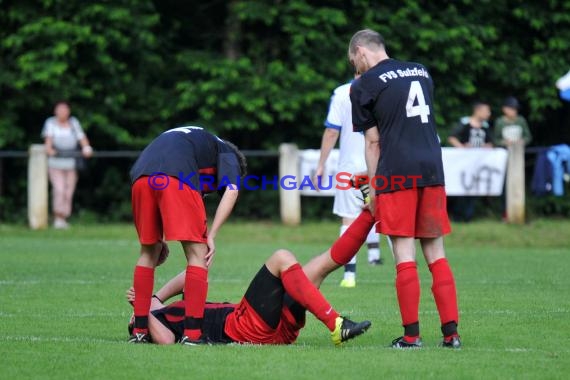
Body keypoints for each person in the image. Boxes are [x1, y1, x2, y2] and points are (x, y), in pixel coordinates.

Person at [348, 29, 461, 348]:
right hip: (432, 169)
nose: (355, 70)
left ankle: (412, 336)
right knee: (436, 253)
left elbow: (373, 142)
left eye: (354, 62)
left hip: (396, 173)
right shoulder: (421, 70)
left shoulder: (363, 85)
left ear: (361, 51)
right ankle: (451, 334)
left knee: (403, 254)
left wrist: (373, 189)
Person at [126, 210, 378, 346]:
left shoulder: (161, 308)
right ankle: (336, 324)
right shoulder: (156, 323)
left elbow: (192, 275)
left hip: (269, 329)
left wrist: (153, 296)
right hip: (242, 328)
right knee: (281, 257)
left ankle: (370, 213)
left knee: (318, 267)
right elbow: (167, 342)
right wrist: (143, 311)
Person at [128, 125, 247, 344]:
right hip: (177, 176)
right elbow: (232, 189)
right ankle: (193, 335)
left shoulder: (196, 140)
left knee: (148, 252)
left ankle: (140, 331)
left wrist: (160, 239)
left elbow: (163, 167)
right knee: (198, 254)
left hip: (140, 175)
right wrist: (212, 234)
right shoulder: (227, 153)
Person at [315, 74, 389, 289]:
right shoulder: (386, 89)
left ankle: (349, 276)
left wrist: (321, 165)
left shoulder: (341, 93)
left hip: (350, 166)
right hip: (381, 164)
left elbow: (331, 131)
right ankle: (400, 271)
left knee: (349, 220)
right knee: (387, 215)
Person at [42, 100, 93, 229]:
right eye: (60, 109)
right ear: (55, 111)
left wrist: (86, 148)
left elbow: (82, 138)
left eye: (64, 109)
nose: (62, 112)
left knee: (68, 191)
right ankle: (58, 216)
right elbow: (48, 143)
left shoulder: (73, 123)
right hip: (56, 162)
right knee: (59, 189)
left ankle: (64, 216)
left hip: (71, 162)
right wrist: (50, 150)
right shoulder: (51, 123)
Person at [447, 101, 494, 222]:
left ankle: (468, 216)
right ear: (478, 111)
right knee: (460, 189)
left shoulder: (485, 126)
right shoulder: (464, 123)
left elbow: (490, 142)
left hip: (478, 165)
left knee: (474, 190)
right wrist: (462, 148)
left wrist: (487, 146)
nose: (489, 114)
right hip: (463, 164)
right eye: (486, 111)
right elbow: (452, 138)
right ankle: (457, 216)